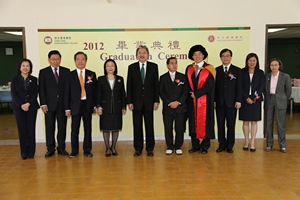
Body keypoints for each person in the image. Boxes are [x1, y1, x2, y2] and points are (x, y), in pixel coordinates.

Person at [126, 45, 159, 157]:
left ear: (147, 55)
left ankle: (150, 148)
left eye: (144, 52)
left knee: (149, 126)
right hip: (136, 102)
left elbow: (156, 85)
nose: (142, 54)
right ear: (136, 55)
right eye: (140, 52)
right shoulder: (132, 67)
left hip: (149, 101)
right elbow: (129, 85)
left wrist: (156, 100)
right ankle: (138, 148)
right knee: (137, 126)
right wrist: (129, 101)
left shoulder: (154, 67)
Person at [65, 52, 97, 158]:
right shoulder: (70, 75)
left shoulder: (91, 74)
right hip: (75, 105)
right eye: (78, 59)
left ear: (86, 61)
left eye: (82, 59)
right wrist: (67, 108)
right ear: (75, 61)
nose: (80, 61)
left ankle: (87, 150)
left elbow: (94, 92)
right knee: (75, 129)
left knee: (88, 129)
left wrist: (95, 105)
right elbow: (67, 93)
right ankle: (74, 150)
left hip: (87, 105)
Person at [39, 50, 70, 157]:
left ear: (60, 60)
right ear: (49, 60)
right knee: (49, 127)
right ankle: (50, 148)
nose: (55, 61)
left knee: (62, 127)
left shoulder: (66, 71)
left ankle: (61, 148)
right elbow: (41, 89)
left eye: (57, 59)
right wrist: (43, 104)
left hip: (62, 105)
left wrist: (68, 106)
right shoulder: (43, 72)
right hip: (49, 105)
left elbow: (68, 90)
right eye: (53, 59)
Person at [185, 45, 215, 154]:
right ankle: (195, 145)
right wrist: (191, 93)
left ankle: (205, 146)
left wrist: (197, 94)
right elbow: (187, 84)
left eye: (199, 54)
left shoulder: (210, 69)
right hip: (192, 101)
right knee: (193, 122)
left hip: (205, 100)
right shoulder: (189, 68)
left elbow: (209, 85)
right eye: (195, 54)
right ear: (192, 56)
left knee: (206, 121)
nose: (197, 56)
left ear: (203, 55)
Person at [96, 59, 126, 157]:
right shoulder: (101, 79)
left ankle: (113, 147)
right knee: (106, 128)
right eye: (108, 66)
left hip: (117, 107)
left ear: (115, 67)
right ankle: (107, 148)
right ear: (105, 68)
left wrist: (123, 106)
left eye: (112, 65)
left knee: (115, 128)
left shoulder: (120, 79)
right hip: (105, 107)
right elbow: (98, 94)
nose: (110, 68)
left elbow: (123, 94)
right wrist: (98, 107)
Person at [11, 58, 39, 160]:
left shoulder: (34, 79)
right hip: (18, 108)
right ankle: (23, 152)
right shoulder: (15, 79)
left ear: (30, 68)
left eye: (27, 66)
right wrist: (21, 105)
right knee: (22, 130)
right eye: (23, 66)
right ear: (20, 67)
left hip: (32, 108)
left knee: (31, 130)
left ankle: (31, 152)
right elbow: (14, 94)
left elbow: (35, 93)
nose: (25, 68)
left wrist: (28, 104)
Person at [215, 48, 242, 153]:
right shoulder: (216, 70)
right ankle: (221, 144)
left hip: (232, 103)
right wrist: (214, 101)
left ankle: (230, 145)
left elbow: (239, 87)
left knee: (231, 125)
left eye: (227, 56)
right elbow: (214, 87)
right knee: (220, 125)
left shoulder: (237, 70)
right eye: (223, 56)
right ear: (221, 58)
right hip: (219, 102)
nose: (225, 58)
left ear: (231, 57)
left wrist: (238, 100)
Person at [159, 57, 188, 155]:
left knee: (179, 128)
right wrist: (169, 102)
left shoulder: (182, 77)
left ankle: (178, 146)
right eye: (171, 63)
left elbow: (185, 92)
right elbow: (161, 92)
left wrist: (178, 102)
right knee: (168, 128)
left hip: (180, 108)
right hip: (168, 108)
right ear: (167, 65)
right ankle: (170, 146)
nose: (174, 65)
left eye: (175, 63)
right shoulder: (163, 78)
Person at [239, 53, 265, 152]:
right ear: (247, 61)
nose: (252, 62)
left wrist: (253, 98)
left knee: (254, 122)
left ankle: (253, 142)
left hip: (256, 100)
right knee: (245, 121)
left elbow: (261, 86)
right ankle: (246, 141)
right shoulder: (242, 72)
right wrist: (246, 98)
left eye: (254, 60)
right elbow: (239, 87)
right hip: (244, 99)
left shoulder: (260, 72)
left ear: (256, 62)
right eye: (250, 60)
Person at [265, 58, 291, 153]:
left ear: (279, 66)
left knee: (281, 124)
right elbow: (265, 90)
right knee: (268, 124)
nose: (274, 67)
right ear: (269, 66)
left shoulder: (285, 76)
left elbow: (288, 91)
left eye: (276, 65)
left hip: (280, 101)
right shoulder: (267, 76)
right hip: (269, 100)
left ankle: (282, 145)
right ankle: (269, 144)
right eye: (272, 65)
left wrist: (283, 99)